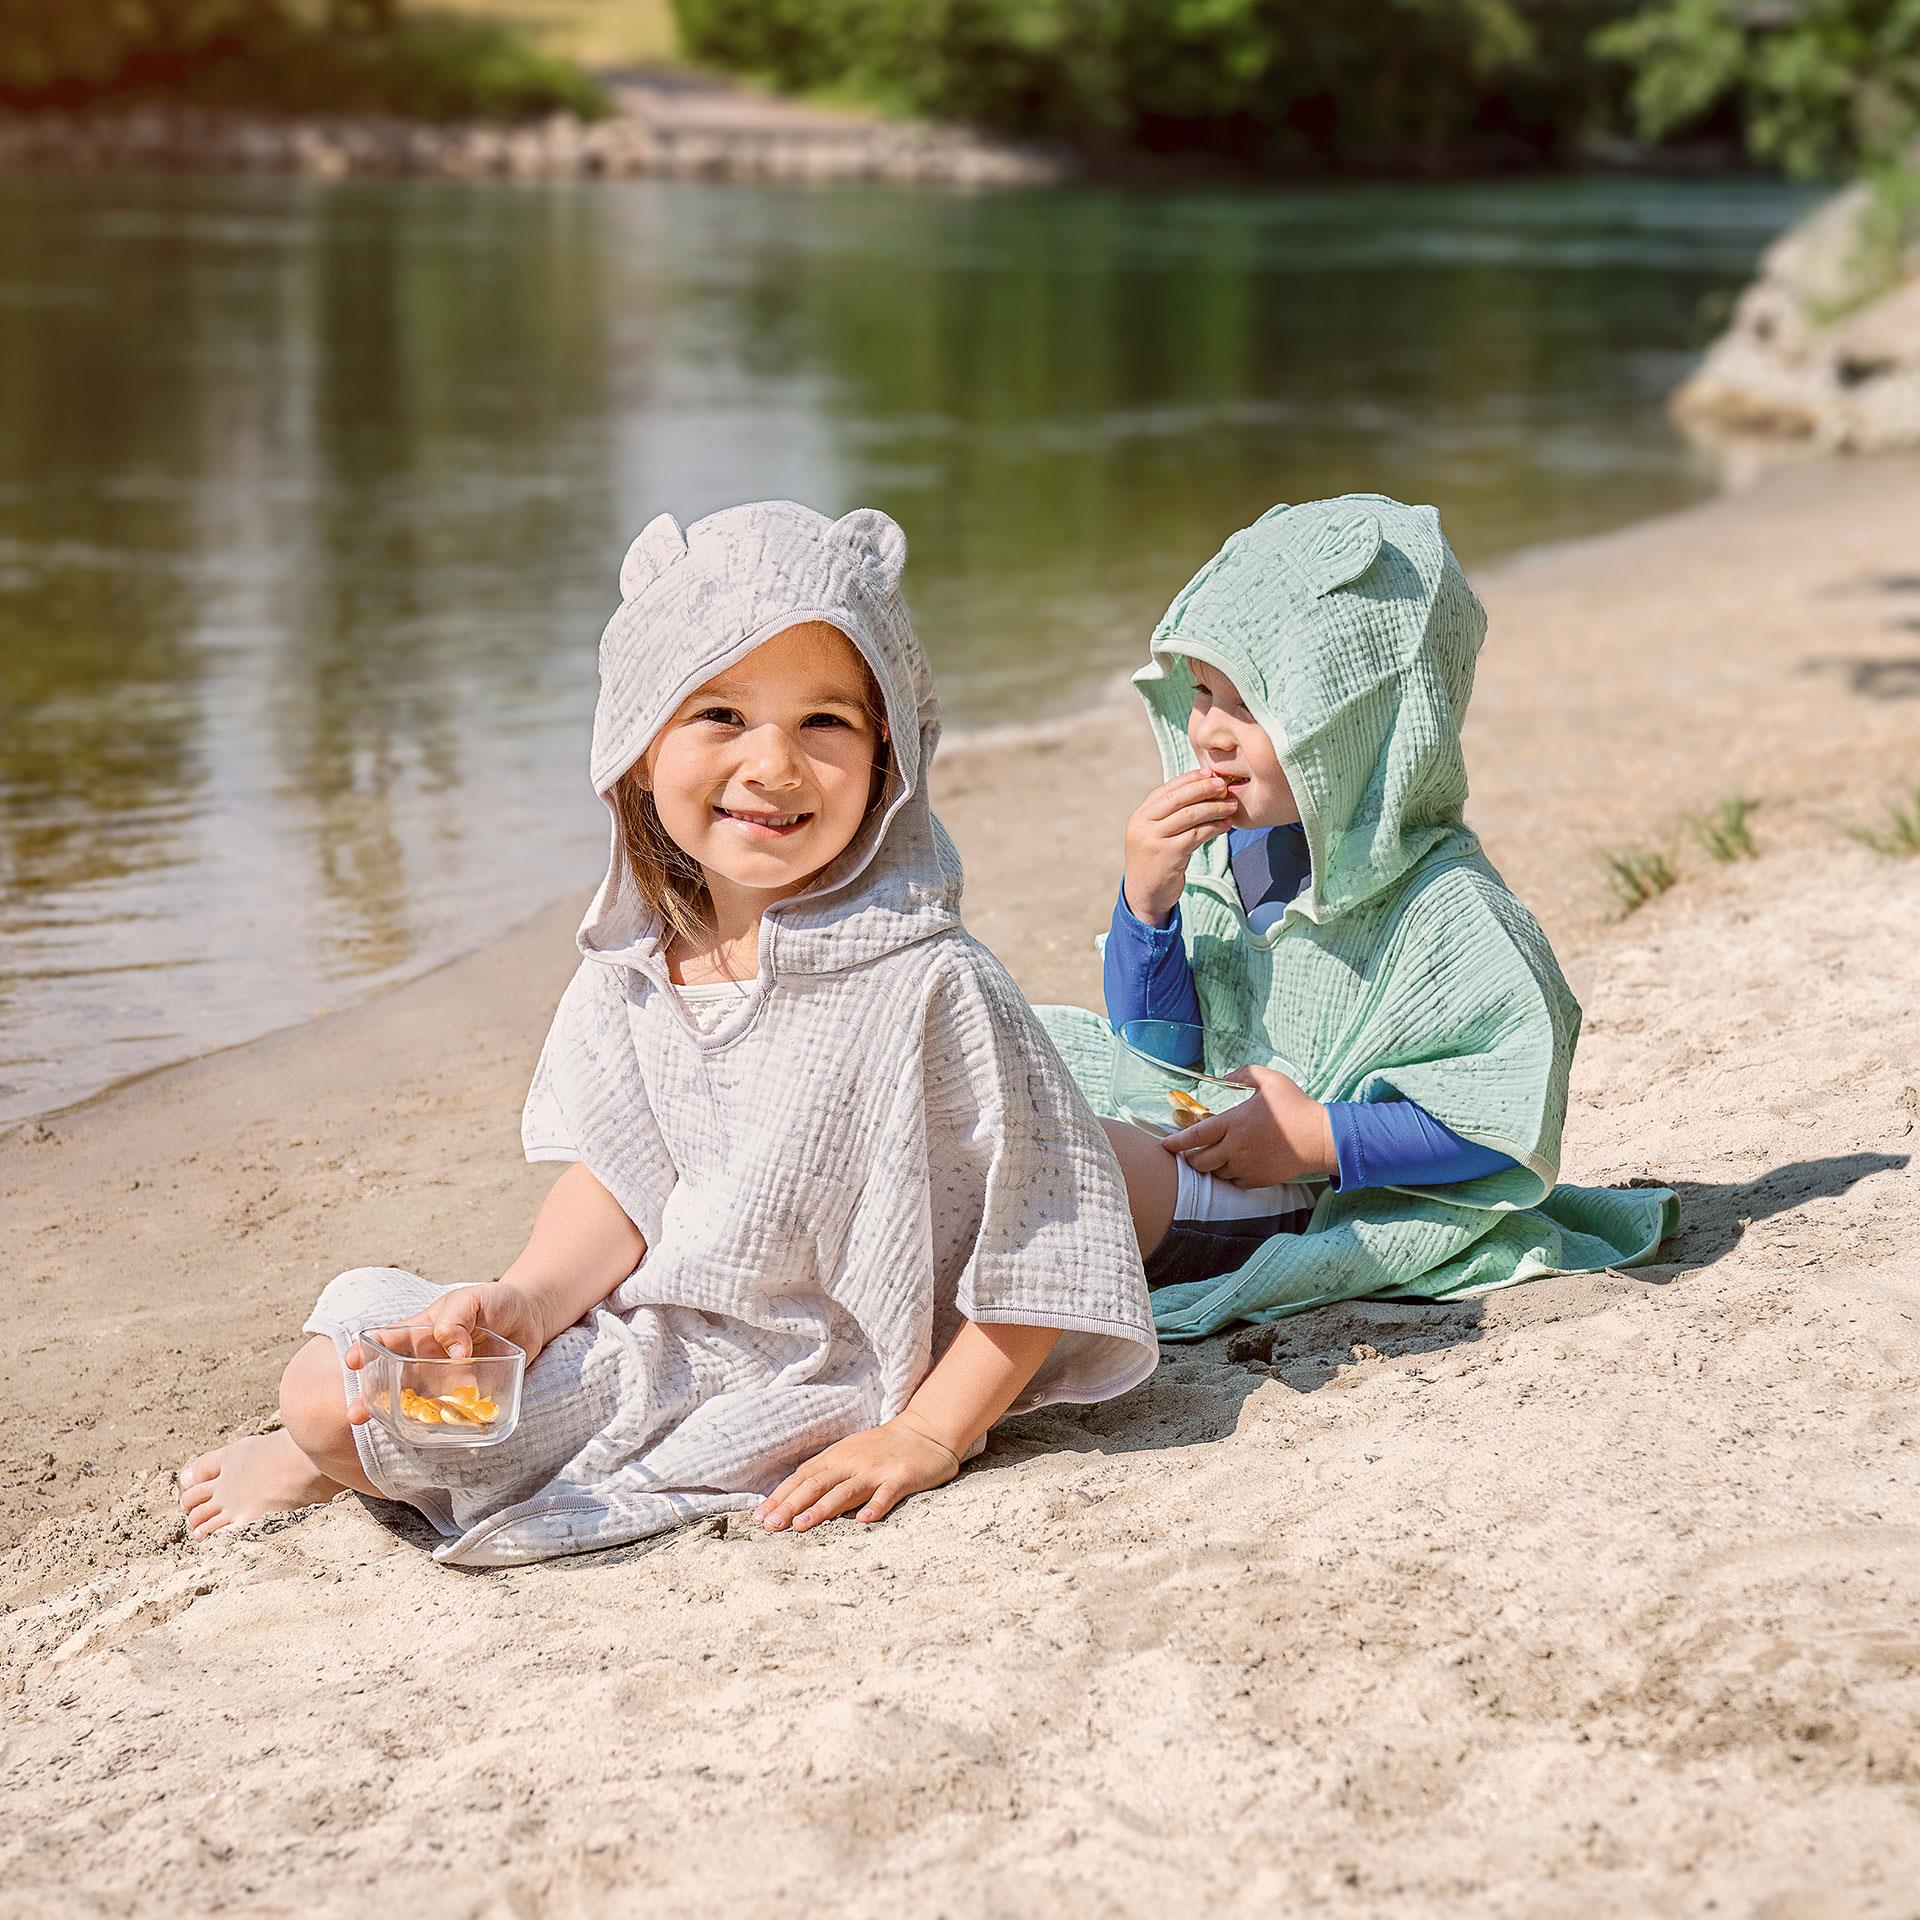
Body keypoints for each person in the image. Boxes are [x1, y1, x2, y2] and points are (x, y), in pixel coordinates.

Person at [179, 501, 1156, 1564]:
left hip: (811, 1379)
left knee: (338, 1419)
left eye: (824, 722)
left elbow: (1051, 1235)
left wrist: (927, 1431)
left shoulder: (929, 980)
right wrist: (526, 1302)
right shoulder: (633, 975)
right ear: (641, 746)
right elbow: (622, 1183)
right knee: (343, 1388)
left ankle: (327, 1461)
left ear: (890, 753)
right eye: (721, 716)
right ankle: (324, 1452)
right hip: (651, 1346)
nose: (773, 765)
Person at [1038, 493, 1677, 1336]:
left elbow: (1504, 1116)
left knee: (1067, 1169)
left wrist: (1315, 1139)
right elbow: (1157, 1058)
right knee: (1009, 1050)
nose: (1210, 735)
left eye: (1252, 706)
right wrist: (1146, 906)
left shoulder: (1450, 912)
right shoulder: (1231, 859)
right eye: (1201, 693)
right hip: (1196, 1134)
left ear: (1357, 724)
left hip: (1300, 1199)